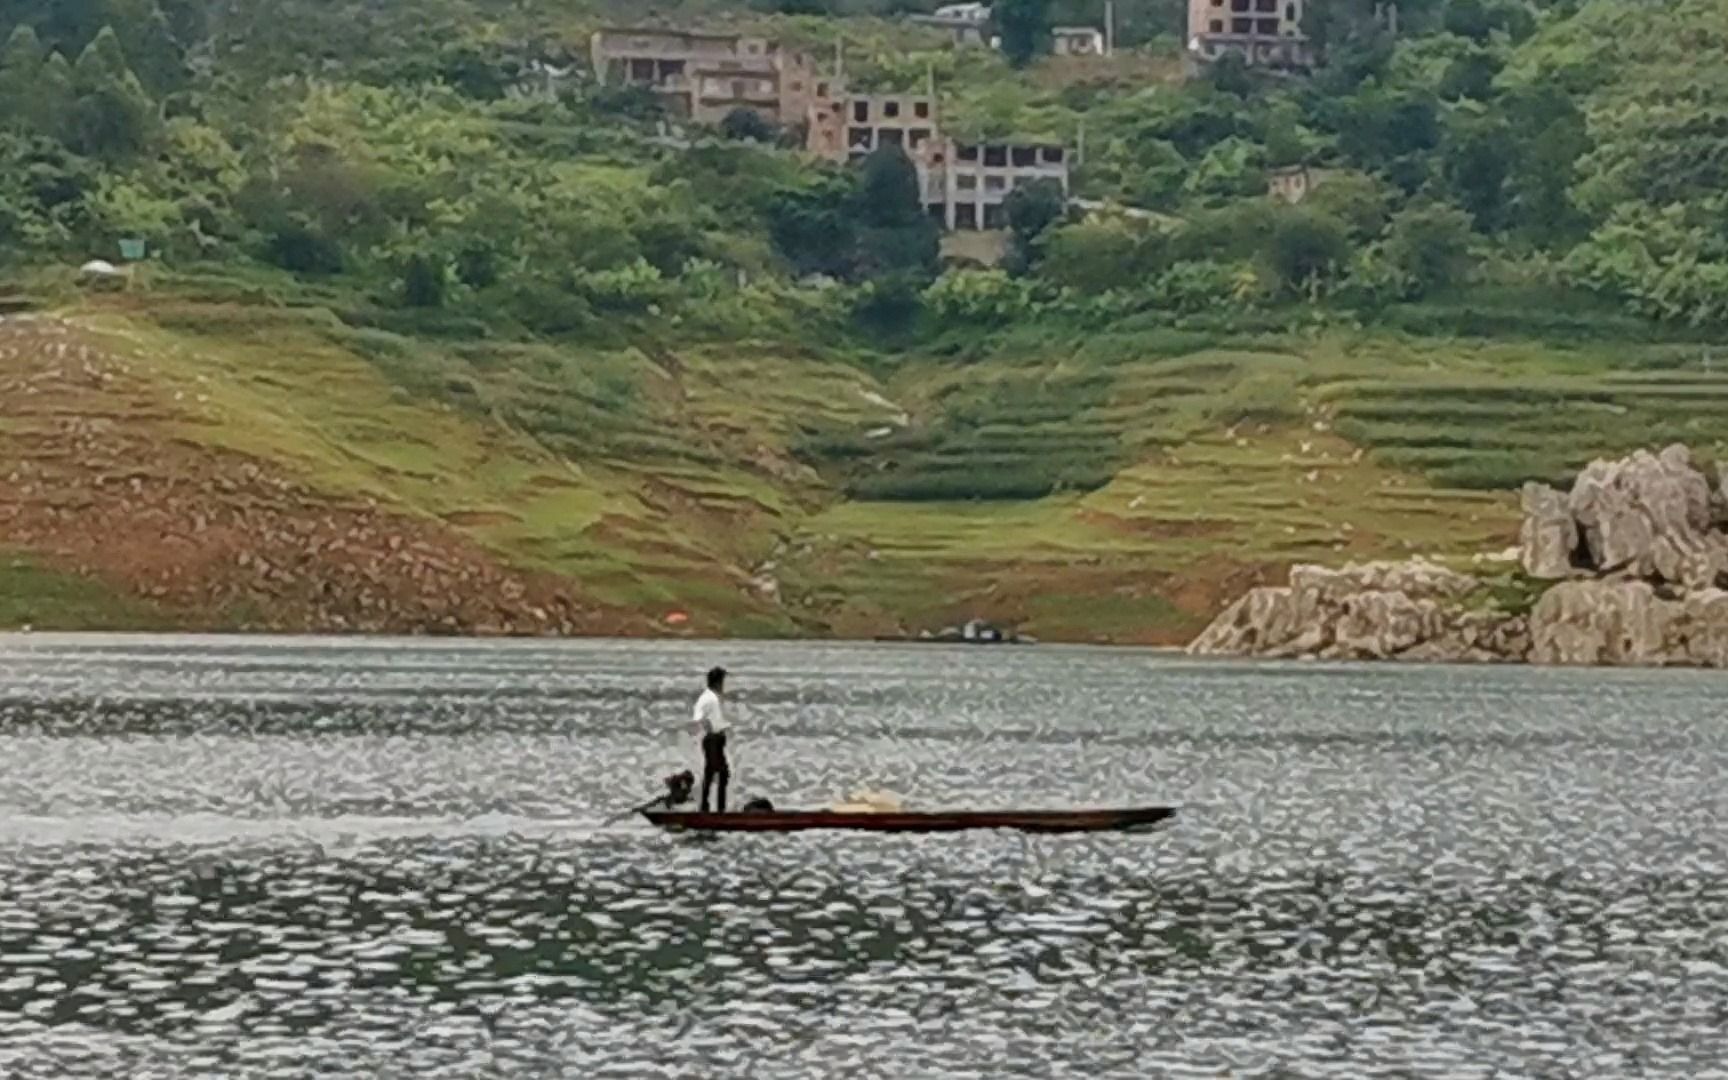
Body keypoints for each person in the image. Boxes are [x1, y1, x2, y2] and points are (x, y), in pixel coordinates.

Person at [692, 666, 731, 812]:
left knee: (714, 772)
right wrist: (710, 727)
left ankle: (708, 806)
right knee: (720, 773)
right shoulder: (709, 698)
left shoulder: (712, 697)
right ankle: (717, 809)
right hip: (712, 740)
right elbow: (698, 718)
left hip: (715, 739)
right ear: (717, 682)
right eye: (722, 681)